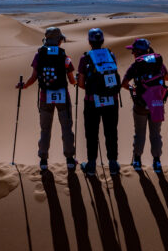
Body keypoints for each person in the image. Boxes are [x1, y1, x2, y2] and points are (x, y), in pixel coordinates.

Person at [16, 27, 76, 170]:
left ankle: (43, 160)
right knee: (66, 128)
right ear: (59, 41)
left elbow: (34, 77)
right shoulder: (64, 56)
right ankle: (69, 159)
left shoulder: (39, 55)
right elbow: (71, 79)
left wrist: (24, 86)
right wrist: (77, 81)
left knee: (45, 129)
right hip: (62, 96)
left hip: (45, 96)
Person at [120, 38, 168, 173]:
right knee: (156, 134)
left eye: (133, 51)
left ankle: (137, 160)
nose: (132, 54)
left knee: (139, 133)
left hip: (141, 104)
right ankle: (157, 162)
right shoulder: (158, 61)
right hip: (157, 104)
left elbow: (124, 83)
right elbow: (167, 77)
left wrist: (133, 89)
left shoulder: (135, 65)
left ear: (137, 51)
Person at [77, 28, 121, 176]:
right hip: (111, 100)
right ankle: (113, 164)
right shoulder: (111, 55)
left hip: (91, 101)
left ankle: (91, 165)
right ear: (102, 41)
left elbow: (81, 84)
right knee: (111, 132)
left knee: (91, 133)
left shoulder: (85, 58)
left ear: (89, 41)